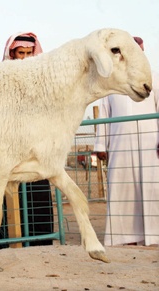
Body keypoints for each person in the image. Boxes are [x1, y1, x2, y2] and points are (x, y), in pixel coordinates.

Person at [94, 36, 159, 247]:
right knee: (122, 187)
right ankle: (123, 237)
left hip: (151, 142)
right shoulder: (111, 82)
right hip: (120, 143)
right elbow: (104, 113)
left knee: (152, 187)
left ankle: (153, 235)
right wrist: (100, 146)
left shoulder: (154, 78)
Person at [0, 32, 54, 247]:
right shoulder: (2, 83)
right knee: (7, 206)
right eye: (20, 53)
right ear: (13, 55)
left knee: (37, 202)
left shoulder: (44, 84)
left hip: (36, 155)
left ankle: (41, 247)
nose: (25, 58)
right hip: (10, 156)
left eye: (29, 53)